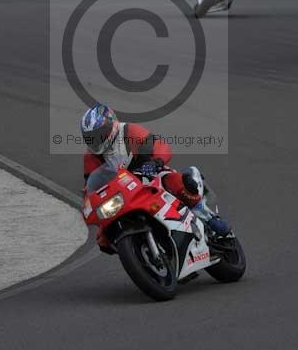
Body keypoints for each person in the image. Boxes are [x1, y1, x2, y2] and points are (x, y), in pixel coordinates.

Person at [81, 103, 230, 251]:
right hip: (122, 193)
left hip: (149, 174)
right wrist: (88, 203)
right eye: (91, 137)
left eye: (100, 133)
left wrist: (156, 162)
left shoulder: (128, 131)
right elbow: (90, 186)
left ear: (111, 125)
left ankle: (208, 218)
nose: (96, 139)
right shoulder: (91, 156)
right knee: (103, 239)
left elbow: (160, 146)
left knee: (179, 182)